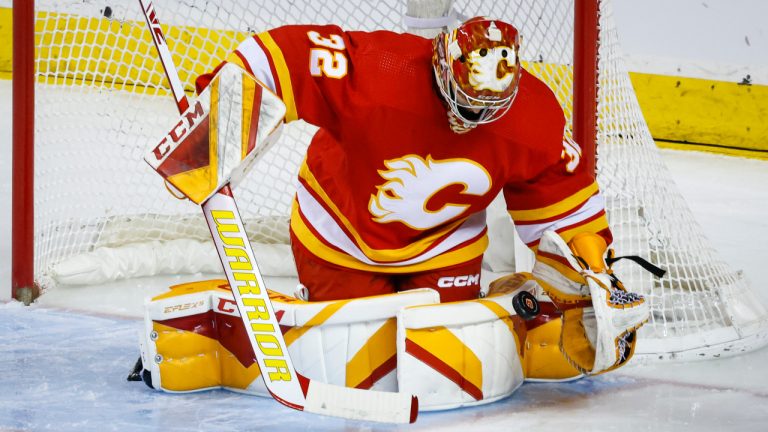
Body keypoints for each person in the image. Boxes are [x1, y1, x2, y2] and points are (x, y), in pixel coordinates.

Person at [194, 16, 614, 304]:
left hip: (447, 242)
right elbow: (284, 55)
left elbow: (561, 189)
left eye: (489, 110)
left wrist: (593, 264)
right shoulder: (380, 71)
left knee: (452, 358)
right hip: (341, 228)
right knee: (356, 363)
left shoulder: (532, 116)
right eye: (467, 105)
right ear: (443, 67)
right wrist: (210, 129)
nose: (473, 120)